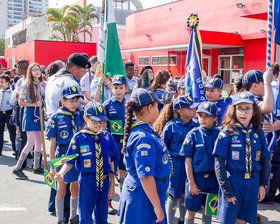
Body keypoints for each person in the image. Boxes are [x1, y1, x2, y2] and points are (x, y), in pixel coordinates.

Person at [54, 102, 118, 224]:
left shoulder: (107, 137)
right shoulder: (78, 138)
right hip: (87, 181)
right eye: (95, 121)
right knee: (85, 216)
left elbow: (111, 161)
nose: (99, 125)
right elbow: (69, 161)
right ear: (85, 118)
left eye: (102, 121)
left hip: (103, 181)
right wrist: (61, 173)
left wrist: (112, 184)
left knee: (102, 217)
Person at [213, 91, 271, 224]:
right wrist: (226, 189)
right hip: (233, 182)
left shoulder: (258, 132)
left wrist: (263, 185)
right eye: (240, 108)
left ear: (254, 111)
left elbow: (265, 159)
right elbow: (219, 163)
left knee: (243, 220)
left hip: (252, 182)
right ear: (234, 110)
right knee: (228, 220)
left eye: (247, 109)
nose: (243, 113)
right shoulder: (227, 132)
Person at [118, 88, 171, 224]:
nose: (158, 110)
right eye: (156, 106)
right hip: (144, 197)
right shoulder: (143, 138)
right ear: (149, 108)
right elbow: (145, 175)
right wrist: (157, 205)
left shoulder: (145, 131)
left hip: (146, 193)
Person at [155, 95, 198, 224]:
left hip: (190, 166)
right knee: (174, 196)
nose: (194, 110)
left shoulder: (195, 126)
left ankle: (181, 219)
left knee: (186, 195)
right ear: (181, 111)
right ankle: (169, 221)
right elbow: (163, 147)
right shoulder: (171, 126)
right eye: (190, 108)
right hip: (176, 166)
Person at [46, 86, 85, 224]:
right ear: (63, 100)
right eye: (71, 101)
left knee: (75, 188)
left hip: (76, 157)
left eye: (76, 100)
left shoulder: (79, 114)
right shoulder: (56, 118)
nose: (74, 104)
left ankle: (74, 216)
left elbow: (81, 133)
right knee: (61, 189)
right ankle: (60, 218)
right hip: (62, 156)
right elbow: (52, 143)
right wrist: (51, 165)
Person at [179, 101, 219, 224]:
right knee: (191, 210)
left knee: (209, 210)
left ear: (215, 118)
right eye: (200, 115)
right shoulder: (193, 135)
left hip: (213, 180)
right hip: (196, 178)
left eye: (207, 116)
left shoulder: (220, 135)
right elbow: (188, 161)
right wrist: (191, 183)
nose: (203, 119)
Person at [12, 63, 45, 179]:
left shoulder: (41, 84)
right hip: (30, 114)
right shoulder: (26, 85)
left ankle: (36, 166)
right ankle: (17, 167)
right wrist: (34, 104)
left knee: (39, 141)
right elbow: (21, 103)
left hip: (39, 113)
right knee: (30, 142)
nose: (37, 72)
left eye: (38, 70)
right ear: (30, 72)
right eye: (34, 70)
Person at [103, 75, 126, 213]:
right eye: (115, 87)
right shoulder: (107, 105)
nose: (118, 90)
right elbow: (103, 127)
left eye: (121, 88)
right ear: (111, 89)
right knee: (111, 173)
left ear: (125, 89)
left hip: (125, 145)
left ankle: (124, 198)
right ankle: (109, 201)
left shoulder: (130, 104)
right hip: (112, 145)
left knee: (123, 172)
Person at [45, 53, 90, 118]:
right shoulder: (70, 83)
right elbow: (78, 107)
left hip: (52, 120)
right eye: (83, 71)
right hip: (65, 122)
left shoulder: (52, 78)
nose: (84, 74)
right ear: (74, 69)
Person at [0, 74, 16, 156]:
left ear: (7, 82)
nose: (0, 84)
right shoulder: (0, 91)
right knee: (0, 132)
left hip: (8, 113)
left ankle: (15, 148)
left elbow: (13, 104)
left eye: (2, 82)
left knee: (12, 132)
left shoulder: (11, 92)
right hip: (0, 113)